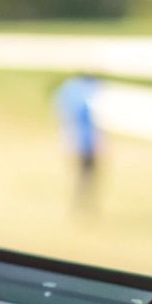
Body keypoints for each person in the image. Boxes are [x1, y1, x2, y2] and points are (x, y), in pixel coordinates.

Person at [53, 71, 102, 214]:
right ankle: (83, 204)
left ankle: (82, 204)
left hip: (75, 140)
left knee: (83, 174)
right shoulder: (88, 92)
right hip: (85, 142)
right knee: (86, 174)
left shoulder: (69, 90)